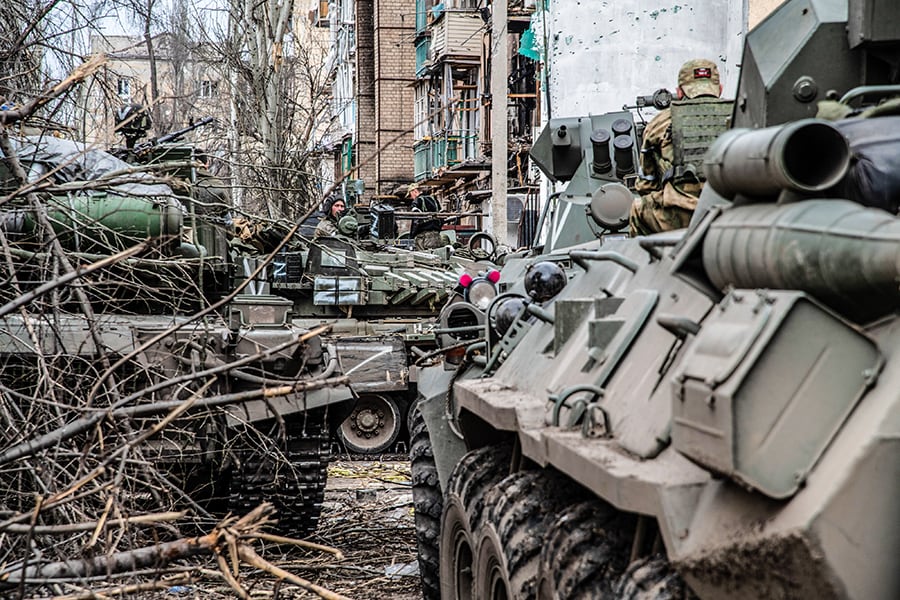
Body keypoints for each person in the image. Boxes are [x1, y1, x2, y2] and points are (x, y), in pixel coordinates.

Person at [629, 58, 724, 236]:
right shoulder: (741, 114)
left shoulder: (661, 122)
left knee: (638, 209)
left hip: (682, 215)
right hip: (731, 213)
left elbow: (645, 186)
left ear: (679, 92)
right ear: (720, 89)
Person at [407, 183, 447, 250]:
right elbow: (441, 217)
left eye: (410, 195)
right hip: (436, 236)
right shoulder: (434, 200)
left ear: (415, 191)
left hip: (424, 237)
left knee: (423, 257)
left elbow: (416, 220)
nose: (411, 197)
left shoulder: (417, 201)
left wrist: (412, 236)